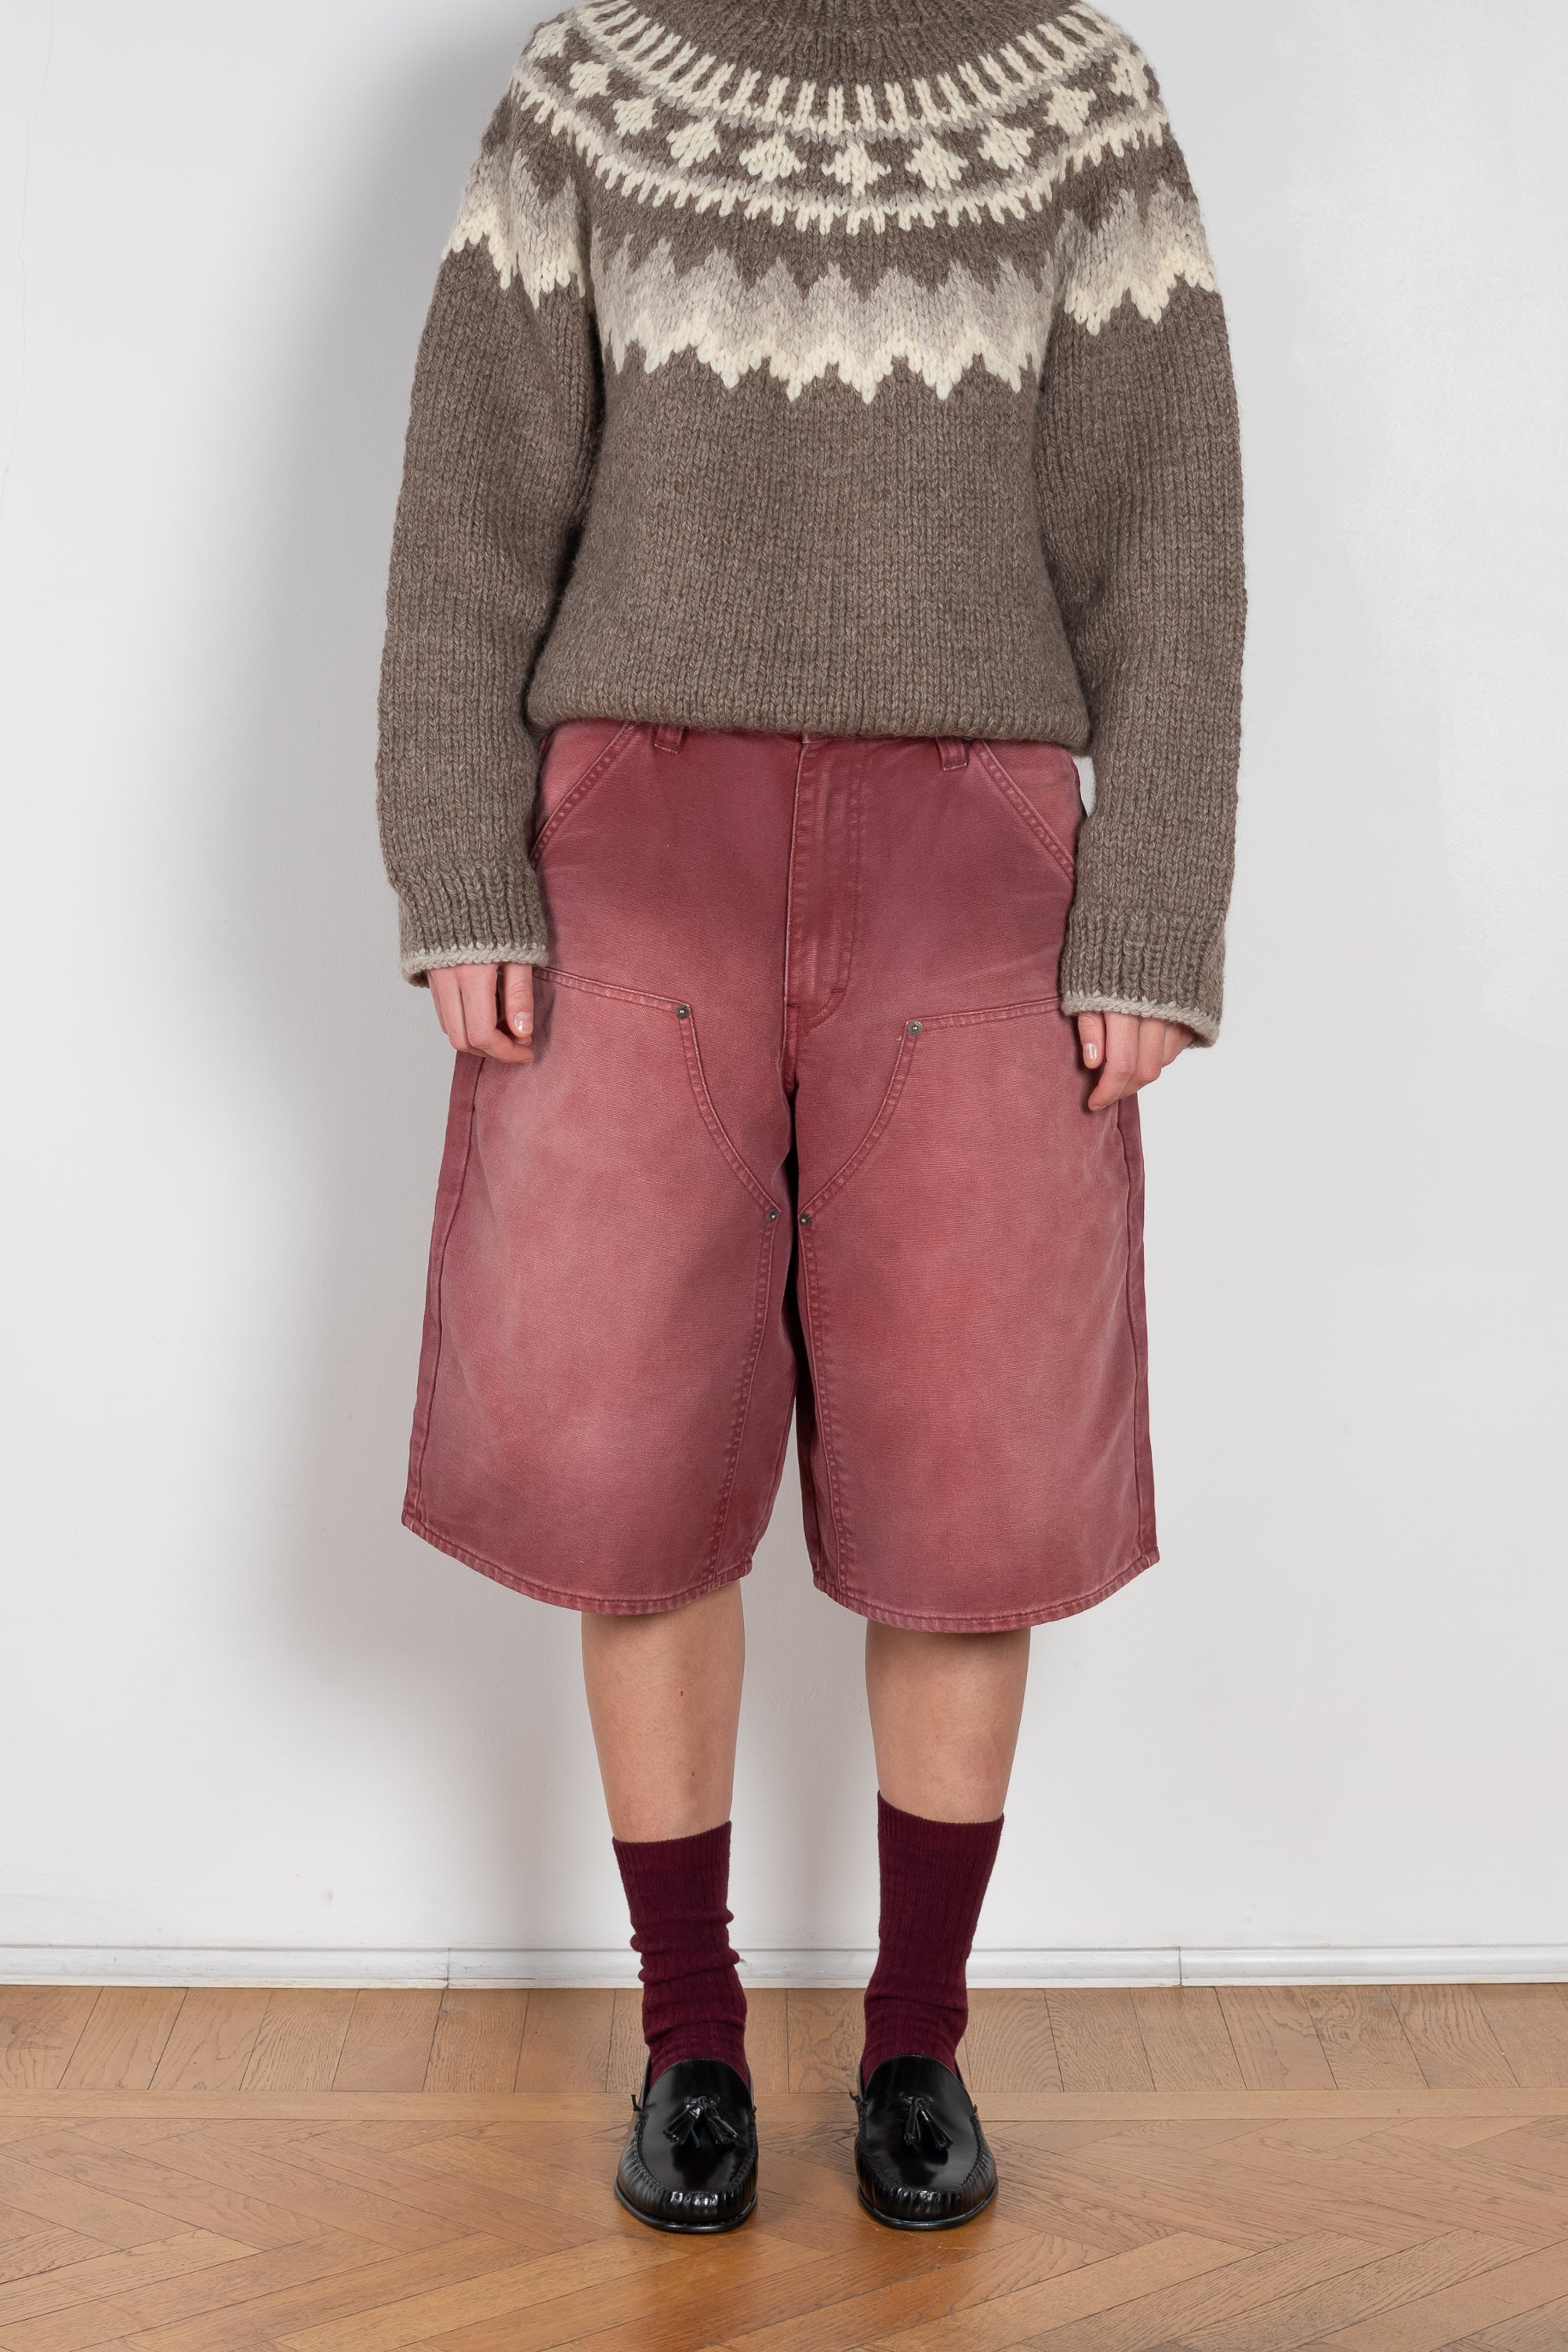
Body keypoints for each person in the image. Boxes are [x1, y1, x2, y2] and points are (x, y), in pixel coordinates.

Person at [376, 0, 1243, 2235]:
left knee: (973, 1462)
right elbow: (474, 493)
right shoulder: (594, 80)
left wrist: (1152, 911)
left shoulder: (1078, 94)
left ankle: (918, 2047)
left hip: (977, 847)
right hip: (634, 836)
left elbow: (1166, 522)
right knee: (624, 1457)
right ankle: (689, 2044)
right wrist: (460, 859)